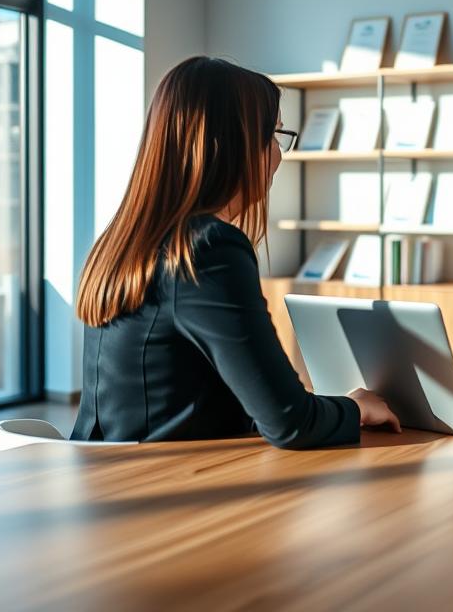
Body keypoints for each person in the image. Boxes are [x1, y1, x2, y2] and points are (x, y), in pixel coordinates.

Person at [72, 56, 399, 448]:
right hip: (167, 487)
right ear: (234, 144)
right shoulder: (207, 248)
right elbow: (290, 423)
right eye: (274, 135)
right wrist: (355, 407)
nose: (278, 154)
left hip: (104, 482)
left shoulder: (121, 241)